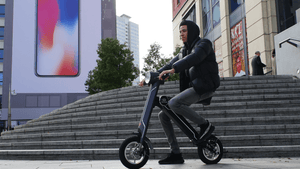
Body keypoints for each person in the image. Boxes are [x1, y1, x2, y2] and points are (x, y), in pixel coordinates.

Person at [139, 20, 220, 164]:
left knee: (174, 103)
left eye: (184, 31)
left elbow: (195, 58)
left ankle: (204, 125)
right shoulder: (183, 51)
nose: (181, 34)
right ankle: (175, 153)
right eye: (180, 32)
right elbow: (169, 64)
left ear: (192, 31)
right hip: (195, 86)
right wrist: (149, 78)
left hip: (206, 86)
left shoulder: (204, 44)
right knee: (163, 114)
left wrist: (174, 69)